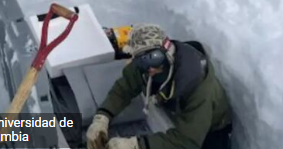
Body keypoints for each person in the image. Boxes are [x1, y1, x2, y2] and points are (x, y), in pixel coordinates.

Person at [86, 24, 233, 149]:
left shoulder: (199, 88)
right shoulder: (146, 63)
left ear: (167, 51)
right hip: (176, 112)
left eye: (154, 58)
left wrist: (136, 145)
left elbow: (187, 141)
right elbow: (124, 89)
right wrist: (102, 118)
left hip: (210, 128)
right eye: (142, 62)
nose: (150, 68)